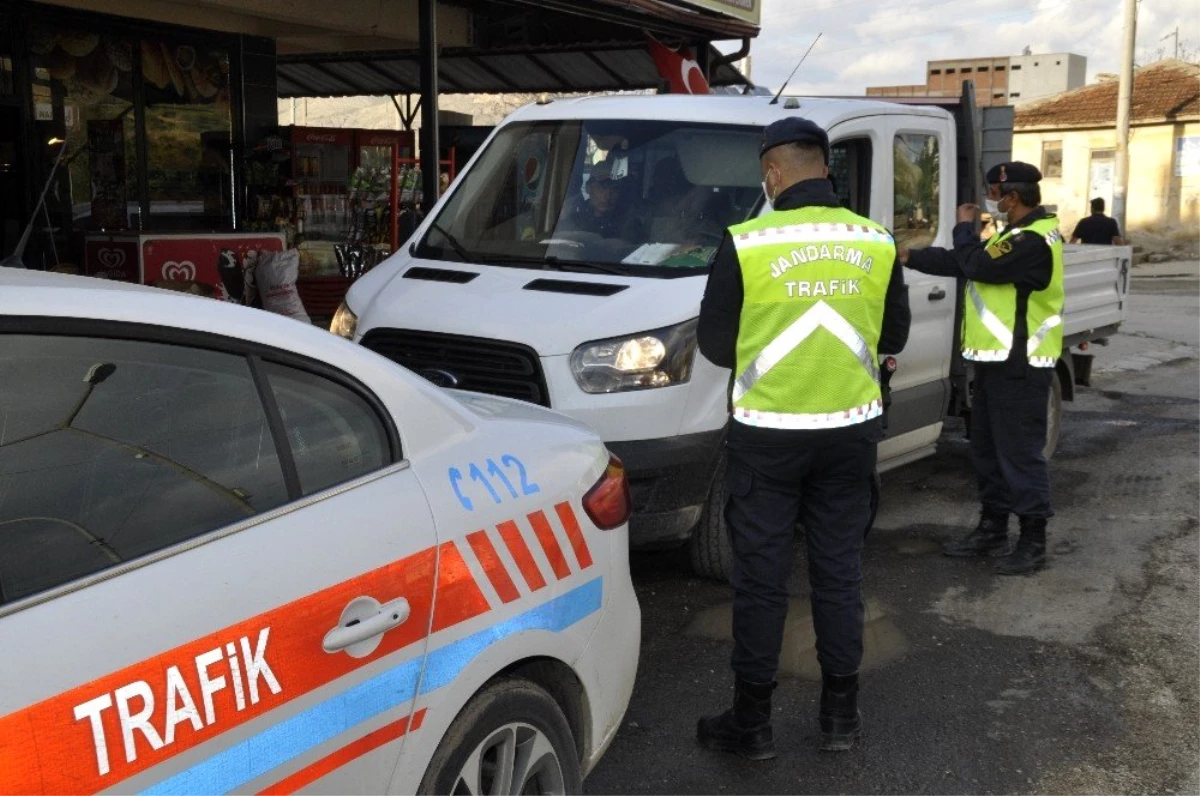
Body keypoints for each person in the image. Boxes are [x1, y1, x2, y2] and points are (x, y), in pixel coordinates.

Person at [696, 117, 911, 757]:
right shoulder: (876, 242)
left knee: (762, 582)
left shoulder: (746, 241)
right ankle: (840, 718)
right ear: (825, 166)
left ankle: (752, 724)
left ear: (772, 173)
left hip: (768, 437)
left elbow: (713, 343)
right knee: (839, 575)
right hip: (849, 434)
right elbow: (892, 336)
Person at [899, 161, 1064, 577]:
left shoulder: (1033, 240)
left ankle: (1032, 540)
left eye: (996, 190)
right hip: (995, 361)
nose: (992, 197)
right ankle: (992, 528)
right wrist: (908, 256)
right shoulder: (1012, 235)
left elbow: (975, 263)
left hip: (1021, 362)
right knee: (988, 449)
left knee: (1020, 454)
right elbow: (963, 262)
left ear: (1013, 196)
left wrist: (963, 226)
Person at [560, 159, 643, 240]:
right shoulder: (573, 220)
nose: (607, 196)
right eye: (601, 188)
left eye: (614, 189)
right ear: (588, 188)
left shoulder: (627, 223)